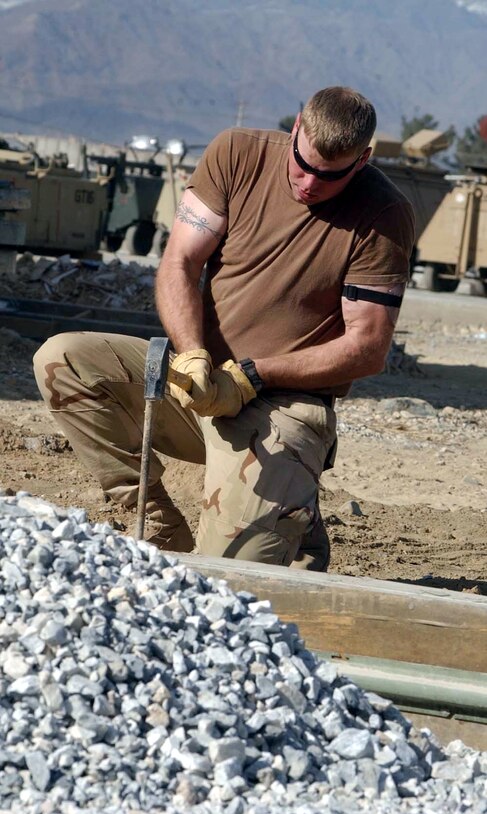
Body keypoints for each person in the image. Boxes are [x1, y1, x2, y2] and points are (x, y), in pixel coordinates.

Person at [33, 86, 415, 571]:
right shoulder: (237, 154)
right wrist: (192, 355)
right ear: (296, 127)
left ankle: (293, 514)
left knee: (228, 577)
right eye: (304, 163)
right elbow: (180, 262)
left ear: (363, 160)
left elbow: (368, 347)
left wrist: (253, 377)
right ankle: (155, 522)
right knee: (62, 359)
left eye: (330, 175)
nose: (310, 183)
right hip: (201, 384)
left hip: (283, 407)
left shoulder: (383, 214)